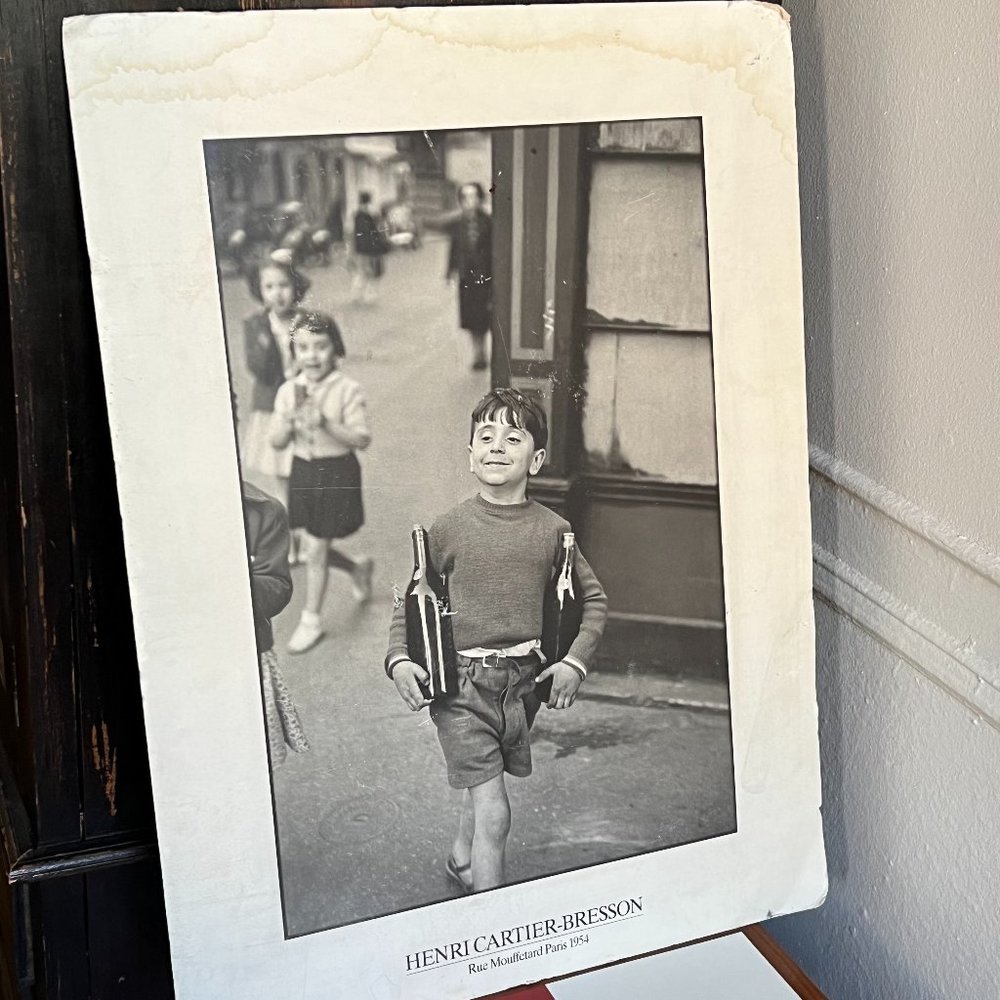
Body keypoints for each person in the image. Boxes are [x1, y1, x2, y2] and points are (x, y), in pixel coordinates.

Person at [384, 388, 607, 893]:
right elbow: (411, 604)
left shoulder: (555, 532)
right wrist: (399, 660)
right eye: (486, 436)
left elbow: (594, 601)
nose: (497, 446)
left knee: (485, 778)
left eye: (514, 436)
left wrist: (574, 662)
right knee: (495, 809)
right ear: (470, 454)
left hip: (521, 687)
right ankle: (489, 914)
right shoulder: (448, 529)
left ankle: (463, 859)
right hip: (459, 688)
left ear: (538, 459)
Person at [271, 312, 374, 654]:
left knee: (315, 548)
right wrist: (286, 422)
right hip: (303, 471)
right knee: (313, 546)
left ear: (335, 349)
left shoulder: (348, 390)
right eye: (303, 348)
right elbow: (276, 442)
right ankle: (357, 567)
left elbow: (361, 439)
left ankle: (310, 620)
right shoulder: (289, 391)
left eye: (320, 346)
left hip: (336, 473)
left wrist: (326, 422)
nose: (311, 355)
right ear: (293, 352)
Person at [243, 480, 309, 768]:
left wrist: (231, 573)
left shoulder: (263, 510)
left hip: (245, 655)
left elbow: (278, 586)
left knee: (248, 755)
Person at [446, 182, 493, 371]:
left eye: (473, 196)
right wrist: (450, 271)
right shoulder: (458, 224)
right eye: (465, 197)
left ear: (480, 199)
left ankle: (484, 352)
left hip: (485, 276)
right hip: (466, 277)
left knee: (484, 316)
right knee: (471, 317)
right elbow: (454, 248)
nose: (469, 201)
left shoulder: (488, 222)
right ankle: (477, 353)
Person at [350, 191, 388, 304]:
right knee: (370, 272)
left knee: (363, 271)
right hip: (370, 249)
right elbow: (374, 233)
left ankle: (357, 295)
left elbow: (355, 233)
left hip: (361, 248)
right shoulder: (369, 215)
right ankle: (366, 295)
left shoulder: (357, 215)